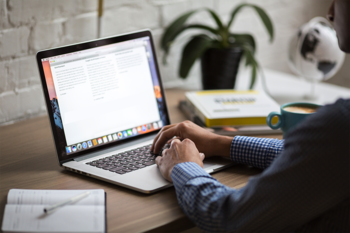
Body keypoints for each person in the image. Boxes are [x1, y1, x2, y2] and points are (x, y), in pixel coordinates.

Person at [151, 0, 350, 232]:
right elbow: (315, 157)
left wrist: (183, 167)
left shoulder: (340, 124)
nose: (330, 13)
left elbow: (229, 217)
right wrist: (220, 142)